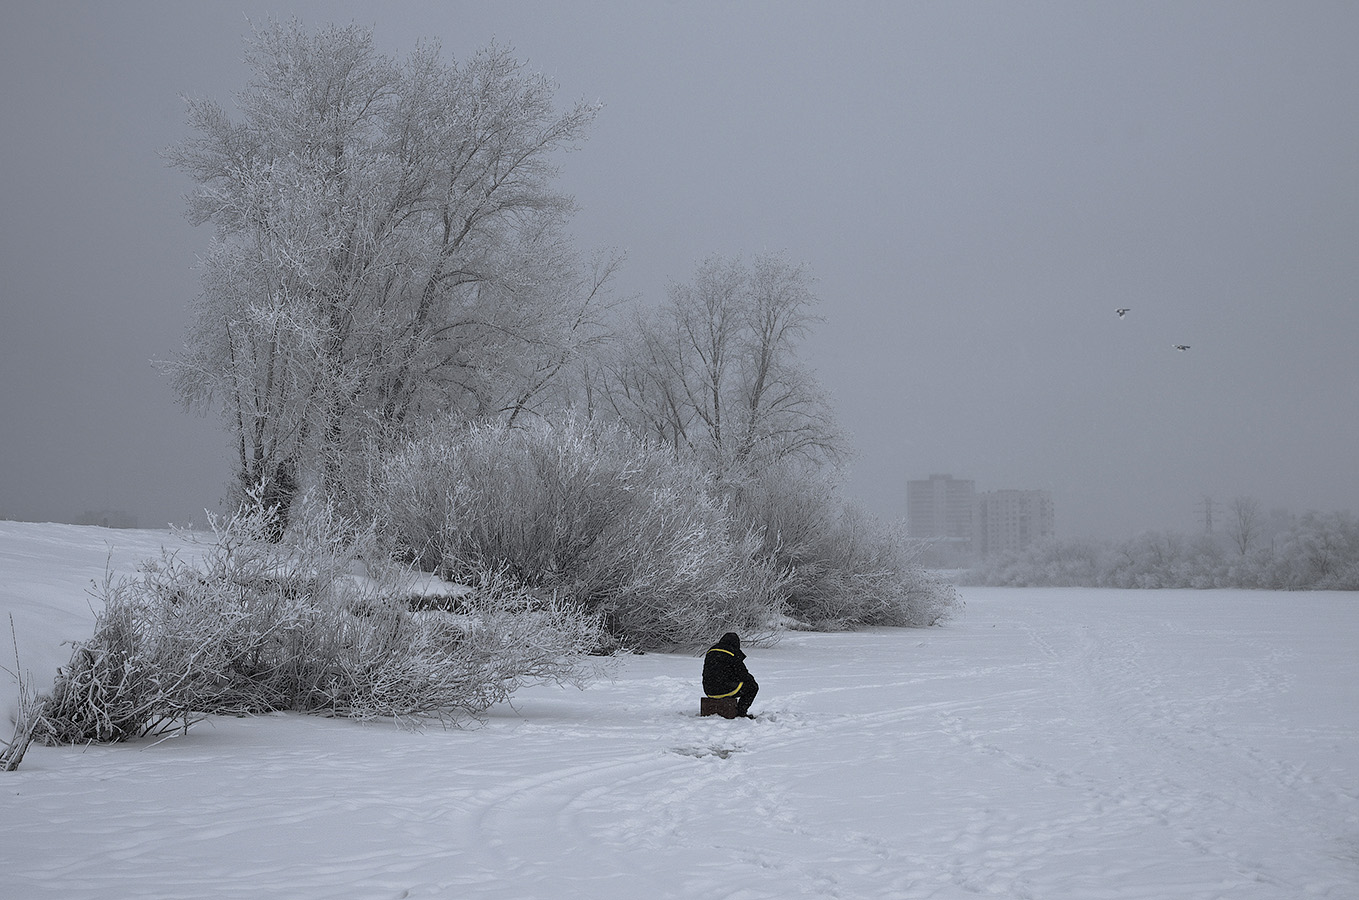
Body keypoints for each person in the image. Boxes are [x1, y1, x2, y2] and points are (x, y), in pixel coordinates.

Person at [703, 632, 759, 717]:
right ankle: (741, 712)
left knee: (731, 683)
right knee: (752, 687)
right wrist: (751, 679)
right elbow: (742, 674)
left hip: (708, 690)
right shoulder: (732, 653)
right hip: (724, 689)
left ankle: (725, 707)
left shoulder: (711, 651)